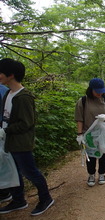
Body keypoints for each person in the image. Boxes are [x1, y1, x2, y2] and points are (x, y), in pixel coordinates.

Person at [0, 58, 54, 216]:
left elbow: (27, 123)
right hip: (8, 141)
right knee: (13, 171)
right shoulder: (8, 94)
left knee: (30, 172)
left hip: (21, 143)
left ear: (11, 75)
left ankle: (46, 198)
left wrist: (6, 130)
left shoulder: (24, 97)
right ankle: (18, 200)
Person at [75, 78, 105, 187]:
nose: (99, 93)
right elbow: (79, 119)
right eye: (97, 91)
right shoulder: (83, 101)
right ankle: (91, 175)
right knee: (91, 156)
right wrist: (79, 135)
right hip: (89, 134)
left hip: (103, 133)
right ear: (91, 89)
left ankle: (102, 174)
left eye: (101, 91)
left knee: (103, 154)